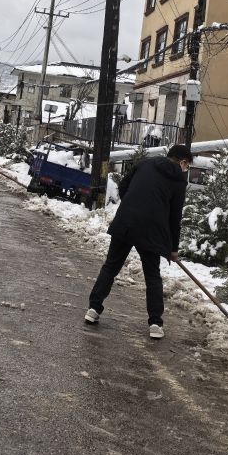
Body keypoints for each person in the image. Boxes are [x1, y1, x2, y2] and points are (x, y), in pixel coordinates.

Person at [85, 144, 191, 340]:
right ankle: (155, 324)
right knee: (152, 276)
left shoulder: (145, 164)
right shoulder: (178, 181)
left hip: (126, 221)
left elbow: (123, 186)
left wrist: (132, 205)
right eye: (187, 166)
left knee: (111, 266)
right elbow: (175, 217)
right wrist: (173, 248)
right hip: (151, 230)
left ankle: (93, 309)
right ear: (182, 162)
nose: (185, 170)